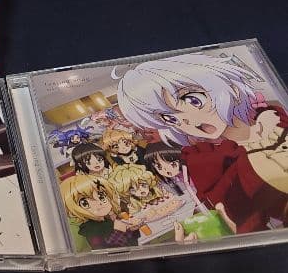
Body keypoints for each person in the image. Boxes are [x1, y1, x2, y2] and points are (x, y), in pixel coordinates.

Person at [117, 52, 288, 233]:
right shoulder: (213, 161)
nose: (189, 121)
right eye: (170, 118)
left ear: (233, 89)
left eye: (193, 100)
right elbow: (235, 217)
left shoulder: (276, 116)